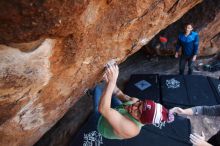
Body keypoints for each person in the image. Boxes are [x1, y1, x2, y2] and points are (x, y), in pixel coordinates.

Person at [92, 62, 174, 140]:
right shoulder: (135, 101)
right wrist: (108, 77)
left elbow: (103, 109)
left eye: (138, 113)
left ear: (142, 121)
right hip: (115, 111)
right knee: (113, 98)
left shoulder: (132, 129)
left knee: (97, 100)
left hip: (101, 124)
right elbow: (117, 92)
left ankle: (92, 90)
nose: (134, 107)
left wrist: (111, 82)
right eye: (139, 104)